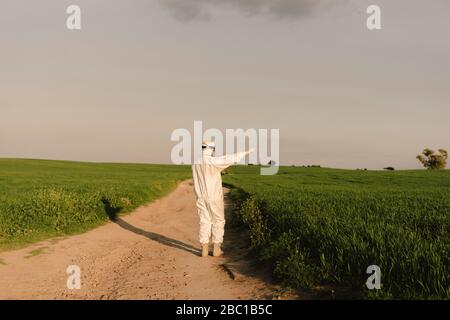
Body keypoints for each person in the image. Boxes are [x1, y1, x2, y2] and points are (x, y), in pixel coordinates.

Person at [192, 141, 254, 257]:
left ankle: (204, 250)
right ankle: (216, 249)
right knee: (218, 220)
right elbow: (230, 158)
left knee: (204, 220)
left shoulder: (196, 163)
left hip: (201, 197)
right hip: (214, 197)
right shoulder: (213, 162)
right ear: (212, 149)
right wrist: (246, 152)